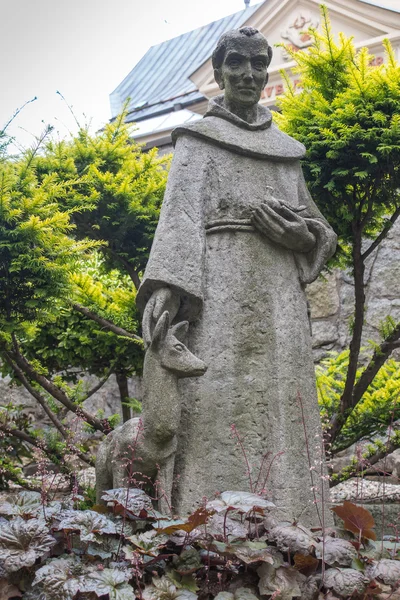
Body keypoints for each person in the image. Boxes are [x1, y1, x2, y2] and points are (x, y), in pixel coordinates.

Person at [136, 26, 337, 523]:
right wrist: (165, 287)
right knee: (214, 399)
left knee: (281, 399)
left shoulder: (286, 150)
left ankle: (295, 522)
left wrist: (303, 239)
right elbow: (178, 219)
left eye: (258, 63)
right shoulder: (198, 140)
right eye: (236, 63)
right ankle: (208, 526)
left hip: (279, 298)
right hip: (217, 294)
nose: (248, 74)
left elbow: (318, 228)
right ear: (219, 71)